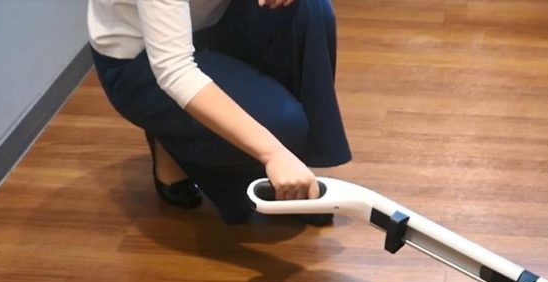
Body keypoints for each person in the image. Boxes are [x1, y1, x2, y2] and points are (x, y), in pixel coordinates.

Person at [87, 0, 351, 224]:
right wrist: (273, 153)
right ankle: (170, 139)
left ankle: (296, 175)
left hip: (212, 22)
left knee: (311, 9)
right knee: (283, 127)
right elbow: (175, 71)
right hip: (140, 60)